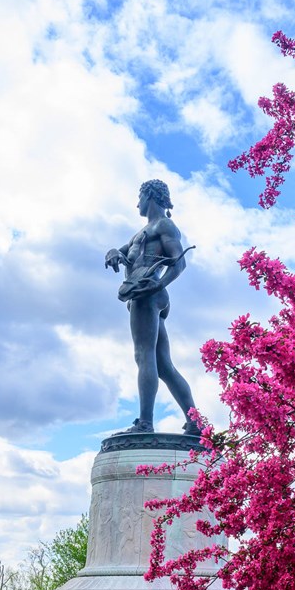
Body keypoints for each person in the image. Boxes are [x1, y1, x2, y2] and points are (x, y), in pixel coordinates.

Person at [105, 179, 200, 435]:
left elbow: (178, 264)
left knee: (143, 356)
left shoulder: (164, 225)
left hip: (149, 294)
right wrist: (113, 252)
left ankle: (145, 423)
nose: (137, 203)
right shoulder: (141, 232)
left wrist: (156, 287)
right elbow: (121, 251)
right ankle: (196, 422)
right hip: (147, 294)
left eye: (140, 196)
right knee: (164, 365)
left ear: (149, 195)